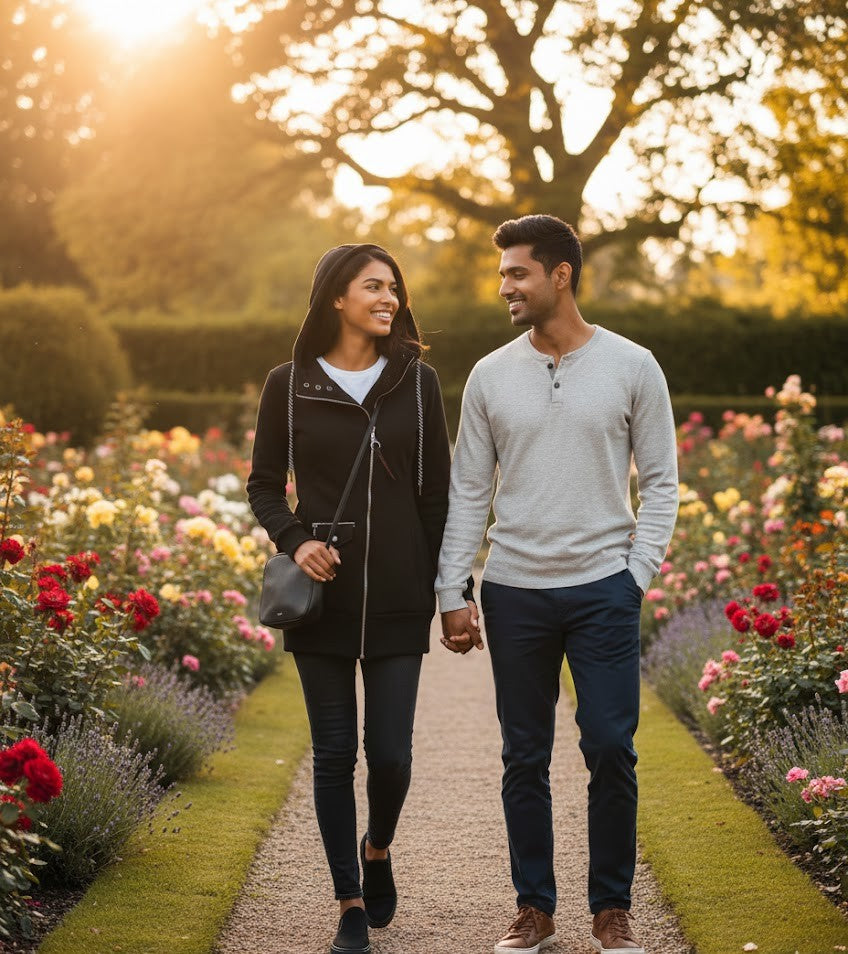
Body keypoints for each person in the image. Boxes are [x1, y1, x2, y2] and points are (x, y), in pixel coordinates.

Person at [435, 215, 679, 954]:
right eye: (504, 272)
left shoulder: (634, 366)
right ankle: (534, 910)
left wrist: (636, 575)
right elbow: (469, 491)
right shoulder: (489, 375)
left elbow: (662, 483)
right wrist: (455, 590)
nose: (504, 285)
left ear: (561, 275)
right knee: (524, 754)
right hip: (514, 590)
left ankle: (612, 910)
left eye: (518, 273)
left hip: (605, 587)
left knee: (610, 745)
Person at [246, 243, 474, 954]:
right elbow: (262, 483)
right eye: (373, 286)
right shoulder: (288, 384)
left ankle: (379, 849)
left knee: (393, 756)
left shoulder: (418, 384)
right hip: (323, 598)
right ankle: (348, 899)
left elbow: (437, 495)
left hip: (401, 593)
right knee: (334, 752)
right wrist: (293, 538)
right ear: (335, 298)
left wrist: (452, 591)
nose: (389, 299)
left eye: (394, 288)